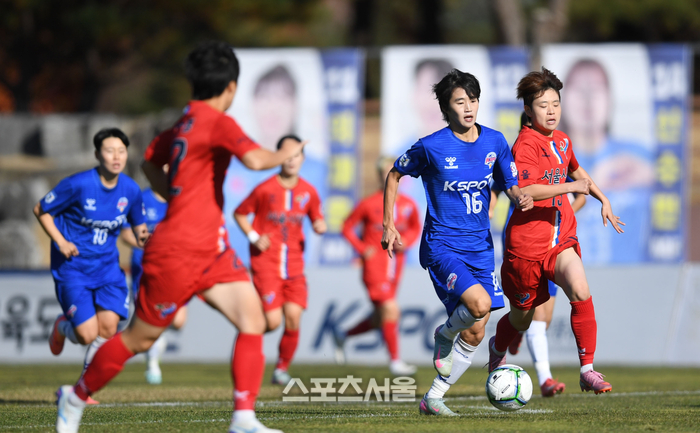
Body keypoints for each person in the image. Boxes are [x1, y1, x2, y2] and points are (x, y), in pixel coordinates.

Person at [54, 40, 306, 433]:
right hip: (180, 251)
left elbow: (149, 162)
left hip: (213, 249)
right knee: (138, 340)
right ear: (231, 88)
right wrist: (290, 152)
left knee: (253, 320)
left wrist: (175, 193)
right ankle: (75, 398)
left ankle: (243, 418)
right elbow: (256, 159)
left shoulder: (183, 122)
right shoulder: (218, 122)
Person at [380, 69, 533, 416]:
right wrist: (388, 224)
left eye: (473, 100)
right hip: (443, 246)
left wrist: (519, 196)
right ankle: (445, 335)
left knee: (477, 330)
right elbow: (395, 173)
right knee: (479, 305)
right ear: (445, 108)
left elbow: (509, 183)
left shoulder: (495, 141)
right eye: (460, 102)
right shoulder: (431, 146)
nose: (468, 108)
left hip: (480, 247)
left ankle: (433, 398)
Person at [488, 67, 624, 396]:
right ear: (527, 110)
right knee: (521, 319)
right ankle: (497, 347)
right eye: (543, 105)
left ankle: (587, 370)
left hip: (560, 240)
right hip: (526, 247)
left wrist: (602, 198)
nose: (551, 111)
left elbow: (578, 172)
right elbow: (527, 189)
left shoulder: (562, 140)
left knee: (580, 288)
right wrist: (570, 187)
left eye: (555, 104)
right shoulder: (525, 145)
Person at [34, 128, 148, 406]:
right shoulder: (78, 184)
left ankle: (81, 392)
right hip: (73, 269)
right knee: (87, 335)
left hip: (108, 270)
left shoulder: (131, 190)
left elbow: (140, 230)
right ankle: (63, 327)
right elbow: (41, 210)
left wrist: (156, 243)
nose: (116, 156)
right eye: (110, 151)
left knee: (108, 329)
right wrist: (60, 241)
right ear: (97, 154)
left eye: (121, 151)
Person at [492, 113, 587, 397]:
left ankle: (518, 332)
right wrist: (490, 211)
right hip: (525, 242)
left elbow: (581, 194)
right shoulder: (518, 157)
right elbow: (496, 188)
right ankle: (545, 380)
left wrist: (563, 213)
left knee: (543, 318)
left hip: (554, 241)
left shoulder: (556, 156)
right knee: (534, 314)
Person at [233, 134, 326, 387]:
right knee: (273, 322)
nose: (291, 160)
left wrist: (320, 225)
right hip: (266, 264)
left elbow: (317, 218)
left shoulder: (309, 191)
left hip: (295, 266)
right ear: (278, 157)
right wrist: (254, 237)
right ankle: (247, 341)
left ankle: (281, 369)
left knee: (293, 317)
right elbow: (240, 213)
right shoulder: (264, 189)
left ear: (303, 158)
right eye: (287, 155)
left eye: (296, 155)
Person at [560, 59, 652, 263]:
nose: (587, 99)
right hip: (567, 273)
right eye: (579, 90)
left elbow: (673, 186)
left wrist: (647, 174)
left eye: (596, 89)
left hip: (633, 274)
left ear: (610, 98)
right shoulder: (550, 156)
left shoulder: (638, 155)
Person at [335, 155, 421, 376]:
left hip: (396, 266)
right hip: (375, 267)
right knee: (391, 309)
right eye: (385, 172)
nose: (390, 176)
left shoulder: (408, 204)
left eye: (394, 172)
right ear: (380, 176)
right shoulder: (369, 203)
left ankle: (343, 335)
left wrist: (407, 241)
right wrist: (362, 249)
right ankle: (395, 362)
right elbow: (346, 226)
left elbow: (415, 227)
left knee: (380, 316)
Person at [119, 185, 188, 385]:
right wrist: (152, 247)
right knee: (148, 317)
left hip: (174, 267)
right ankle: (152, 362)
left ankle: (156, 340)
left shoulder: (180, 200)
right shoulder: (142, 199)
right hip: (145, 268)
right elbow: (126, 234)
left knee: (178, 321)